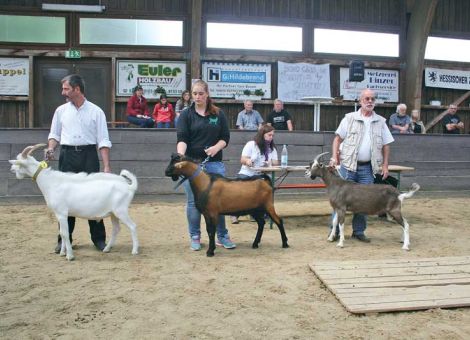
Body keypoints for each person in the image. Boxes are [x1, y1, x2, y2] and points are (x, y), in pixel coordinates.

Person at [45, 74, 112, 253]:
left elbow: (103, 141)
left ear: (77, 89)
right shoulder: (60, 111)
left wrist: (106, 166)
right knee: (64, 200)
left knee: (94, 198)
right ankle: (64, 241)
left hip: (89, 155)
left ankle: (99, 240)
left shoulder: (96, 111)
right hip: (66, 156)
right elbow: (54, 135)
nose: (63, 92)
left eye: (66, 89)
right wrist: (51, 148)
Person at [328, 89, 394, 242]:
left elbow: (386, 145)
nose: (370, 101)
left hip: (368, 168)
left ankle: (358, 232)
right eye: (366, 99)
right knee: (339, 201)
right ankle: (335, 231)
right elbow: (337, 139)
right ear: (360, 101)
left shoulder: (381, 121)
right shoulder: (349, 118)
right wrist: (334, 156)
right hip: (348, 166)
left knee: (365, 200)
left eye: (372, 99)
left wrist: (385, 165)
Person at [176, 79, 236, 251]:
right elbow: (182, 139)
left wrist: (216, 147)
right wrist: (181, 157)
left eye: (201, 93)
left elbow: (226, 137)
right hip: (192, 165)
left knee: (218, 202)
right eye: (194, 93)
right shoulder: (186, 115)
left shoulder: (218, 114)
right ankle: (195, 236)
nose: (197, 97)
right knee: (194, 202)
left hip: (214, 164)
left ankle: (222, 236)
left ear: (207, 94)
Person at [231, 124, 278, 224]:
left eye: (272, 135)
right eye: (269, 135)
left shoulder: (271, 148)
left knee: (268, 187)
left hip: (261, 174)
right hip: (247, 173)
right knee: (242, 189)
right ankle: (235, 213)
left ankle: (260, 212)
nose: (271, 137)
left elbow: (276, 163)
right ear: (263, 134)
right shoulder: (251, 144)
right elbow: (242, 159)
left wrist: (269, 163)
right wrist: (248, 161)